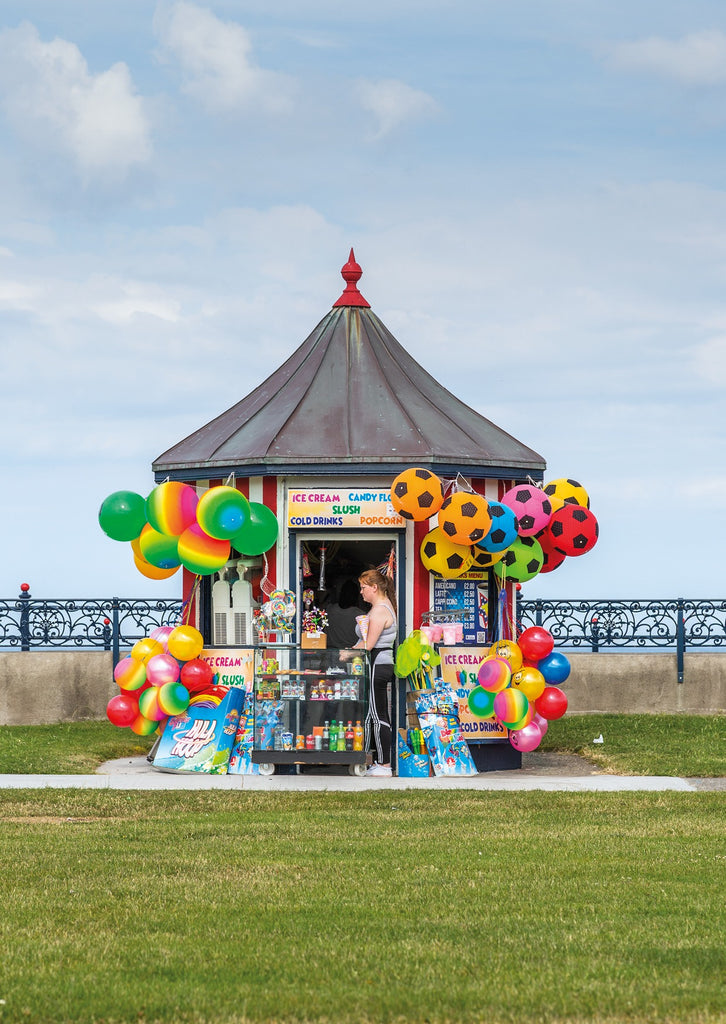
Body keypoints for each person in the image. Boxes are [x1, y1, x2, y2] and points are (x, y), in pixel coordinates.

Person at [352, 568, 397, 777]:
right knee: (373, 714)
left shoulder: (379, 611)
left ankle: (384, 764)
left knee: (378, 716)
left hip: (377, 664)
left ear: (374, 587)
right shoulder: (382, 607)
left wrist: (347, 653)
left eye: (363, 588)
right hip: (379, 664)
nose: (361, 592)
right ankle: (376, 761)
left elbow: (369, 645)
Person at [325, 578, 366, 650]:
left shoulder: (329, 610)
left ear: (340, 593)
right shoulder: (361, 615)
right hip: (352, 653)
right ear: (357, 595)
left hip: (329, 652)